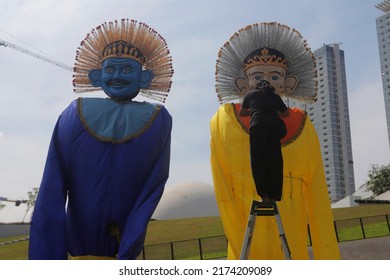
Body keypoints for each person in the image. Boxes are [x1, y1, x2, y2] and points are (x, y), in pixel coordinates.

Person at [29, 19, 173, 260]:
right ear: (96, 77)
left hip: (113, 251)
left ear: (144, 78)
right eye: (110, 70)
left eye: (127, 70)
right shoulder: (74, 114)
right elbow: (52, 188)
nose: (117, 76)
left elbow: (152, 189)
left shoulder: (158, 119)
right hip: (92, 251)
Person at [210, 22, 340, 259]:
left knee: (267, 162)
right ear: (242, 84)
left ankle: (270, 195)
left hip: (293, 231)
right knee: (262, 161)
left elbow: (319, 196)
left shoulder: (304, 125)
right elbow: (223, 193)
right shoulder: (222, 121)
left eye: (275, 76)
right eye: (257, 75)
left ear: (289, 84)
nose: (266, 81)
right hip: (246, 238)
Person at [239, 80, 289, 202]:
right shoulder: (275, 96)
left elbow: (242, 113)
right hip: (273, 127)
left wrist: (253, 110)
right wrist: (276, 112)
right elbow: (286, 113)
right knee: (274, 161)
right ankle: (273, 196)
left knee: (258, 161)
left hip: (257, 126)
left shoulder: (250, 94)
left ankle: (264, 196)